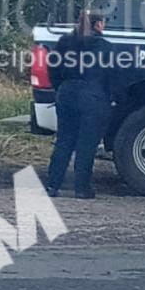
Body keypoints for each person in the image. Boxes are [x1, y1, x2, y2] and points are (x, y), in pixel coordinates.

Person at [46, 10, 113, 199]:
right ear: (99, 25)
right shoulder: (105, 47)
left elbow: (53, 68)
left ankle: (52, 185)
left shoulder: (64, 43)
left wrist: (60, 88)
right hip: (93, 97)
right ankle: (81, 188)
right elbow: (111, 76)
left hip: (66, 94)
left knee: (64, 141)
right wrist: (109, 98)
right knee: (87, 144)